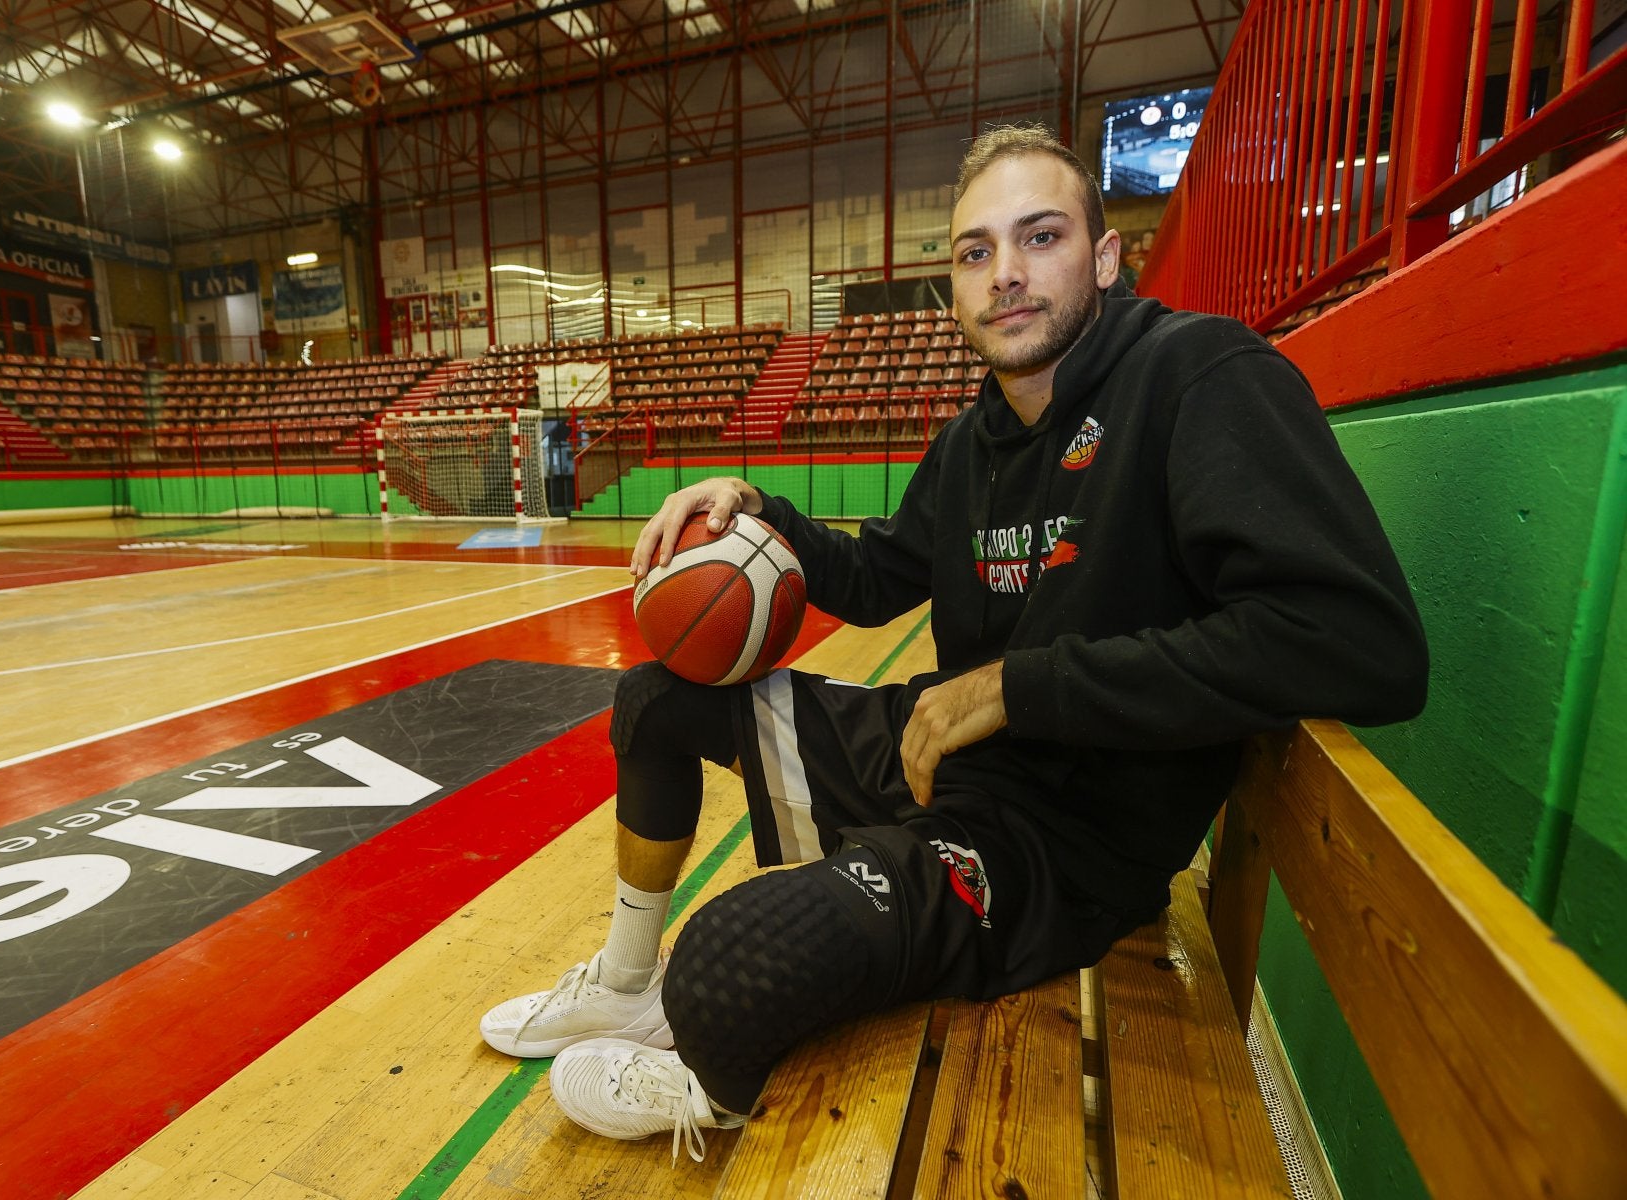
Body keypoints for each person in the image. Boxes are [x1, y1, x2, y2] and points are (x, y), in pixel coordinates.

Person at [477, 123, 1429, 1163]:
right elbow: (875, 576)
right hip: (944, 752)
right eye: (976, 252)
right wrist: (754, 505)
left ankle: (709, 1078)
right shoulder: (974, 441)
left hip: (1059, 847)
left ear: (1106, 259)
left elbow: (1360, 643)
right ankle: (621, 985)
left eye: (1041, 236)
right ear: (953, 289)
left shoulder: (1197, 377)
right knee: (657, 699)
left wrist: (1022, 687)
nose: (1006, 275)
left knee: (725, 963)